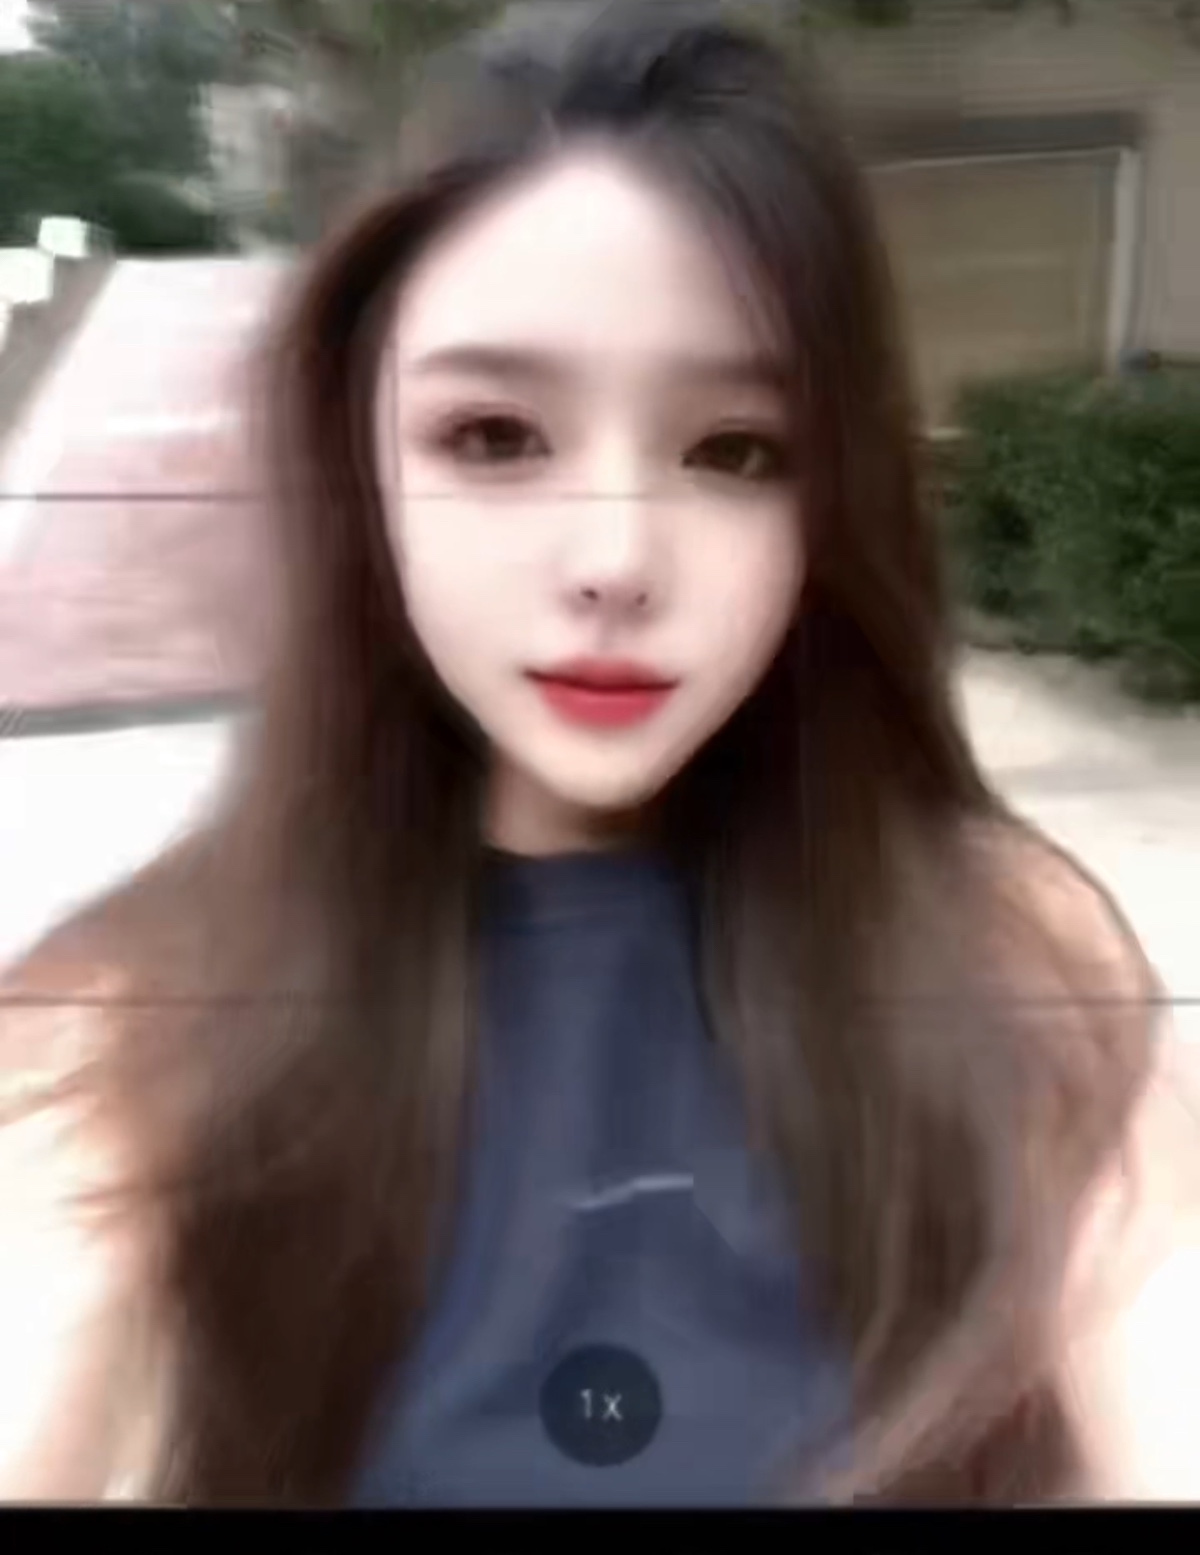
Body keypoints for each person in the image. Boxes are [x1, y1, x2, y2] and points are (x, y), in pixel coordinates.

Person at [1, 0, 1197, 1508]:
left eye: (734, 450)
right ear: (361, 466)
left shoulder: (1001, 945)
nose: (616, 561)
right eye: (496, 438)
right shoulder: (139, 1016)